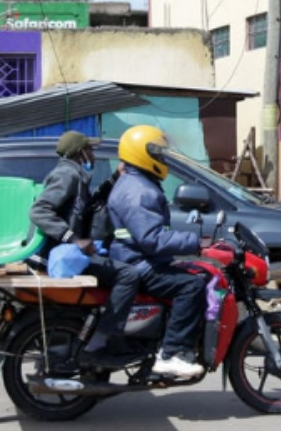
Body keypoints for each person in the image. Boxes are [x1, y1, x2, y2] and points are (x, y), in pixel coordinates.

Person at [29, 131, 140, 367]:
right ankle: (104, 340)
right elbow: (39, 211)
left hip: (70, 253)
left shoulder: (77, 176)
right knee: (128, 275)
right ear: (80, 153)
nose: (93, 154)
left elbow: (89, 206)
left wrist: (114, 179)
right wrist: (72, 238)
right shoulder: (66, 175)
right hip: (61, 256)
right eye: (90, 150)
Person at [108, 125, 208, 379]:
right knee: (192, 286)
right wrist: (196, 243)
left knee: (192, 274)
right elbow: (152, 238)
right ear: (143, 154)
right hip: (138, 262)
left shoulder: (134, 182)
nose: (163, 158)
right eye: (158, 153)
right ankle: (173, 353)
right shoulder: (139, 190)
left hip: (133, 258)